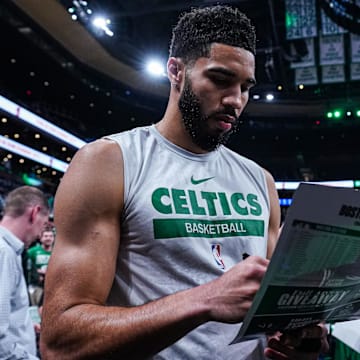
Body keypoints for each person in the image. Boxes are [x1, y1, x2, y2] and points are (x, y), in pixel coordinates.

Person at [40, 5, 328, 359]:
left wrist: (298, 337)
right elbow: (60, 340)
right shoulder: (109, 162)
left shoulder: (260, 180)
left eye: (245, 87)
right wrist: (204, 300)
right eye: (221, 80)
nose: (235, 100)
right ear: (176, 71)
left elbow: (268, 309)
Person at [0, 186, 50, 359]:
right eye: (43, 225)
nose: (39, 235)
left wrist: (27, 326)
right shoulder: (4, 252)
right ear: (34, 213)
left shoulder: (9, 250)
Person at [27, 226, 55, 306]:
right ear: (41, 238)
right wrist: (38, 272)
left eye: (50, 236)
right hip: (37, 286)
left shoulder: (57, 252)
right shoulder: (32, 251)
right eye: (46, 236)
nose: (48, 238)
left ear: (53, 238)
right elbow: (28, 267)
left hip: (52, 286)